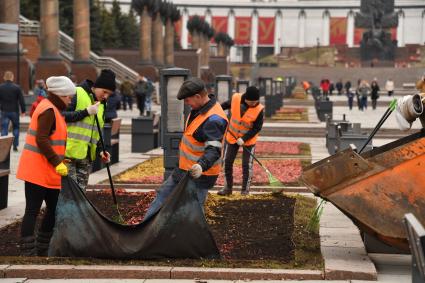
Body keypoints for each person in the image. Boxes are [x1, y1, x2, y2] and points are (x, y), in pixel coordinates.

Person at [143, 77, 228, 220]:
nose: (186, 104)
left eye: (187, 100)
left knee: (192, 211)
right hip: (183, 169)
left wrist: (201, 166)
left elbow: (214, 150)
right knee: (163, 195)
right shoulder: (199, 109)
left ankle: (191, 239)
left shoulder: (214, 119)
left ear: (197, 96)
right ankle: (145, 228)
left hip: (199, 175)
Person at [16, 76, 76, 256]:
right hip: (37, 170)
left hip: (47, 170)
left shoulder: (53, 109)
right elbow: (41, 139)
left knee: (54, 209)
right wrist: (57, 162)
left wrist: (60, 161)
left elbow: (51, 140)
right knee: (32, 210)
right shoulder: (49, 110)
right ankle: (28, 252)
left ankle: (42, 248)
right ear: (60, 95)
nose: (70, 100)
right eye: (68, 96)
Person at [62, 69, 115, 191]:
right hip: (68, 154)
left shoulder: (103, 104)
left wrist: (102, 150)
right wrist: (86, 112)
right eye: (104, 92)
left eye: (109, 94)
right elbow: (61, 115)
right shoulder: (77, 93)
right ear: (96, 87)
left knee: (81, 194)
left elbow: (97, 130)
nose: (105, 96)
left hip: (86, 157)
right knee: (70, 192)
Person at [217, 86, 264, 196]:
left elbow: (257, 128)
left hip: (248, 140)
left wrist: (244, 139)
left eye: (255, 102)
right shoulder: (236, 98)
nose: (253, 104)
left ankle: (245, 191)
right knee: (227, 162)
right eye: (251, 102)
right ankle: (228, 188)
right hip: (232, 137)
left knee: (246, 165)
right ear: (246, 98)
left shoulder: (259, 109)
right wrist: (215, 110)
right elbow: (223, 106)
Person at [0, 71, 26, 151]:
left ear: (4, 77)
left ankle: (4, 147)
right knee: (16, 128)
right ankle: (15, 146)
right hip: (14, 111)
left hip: (4, 110)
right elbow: (21, 100)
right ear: (12, 77)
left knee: (4, 128)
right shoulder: (17, 87)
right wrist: (23, 111)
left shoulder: (1, 87)